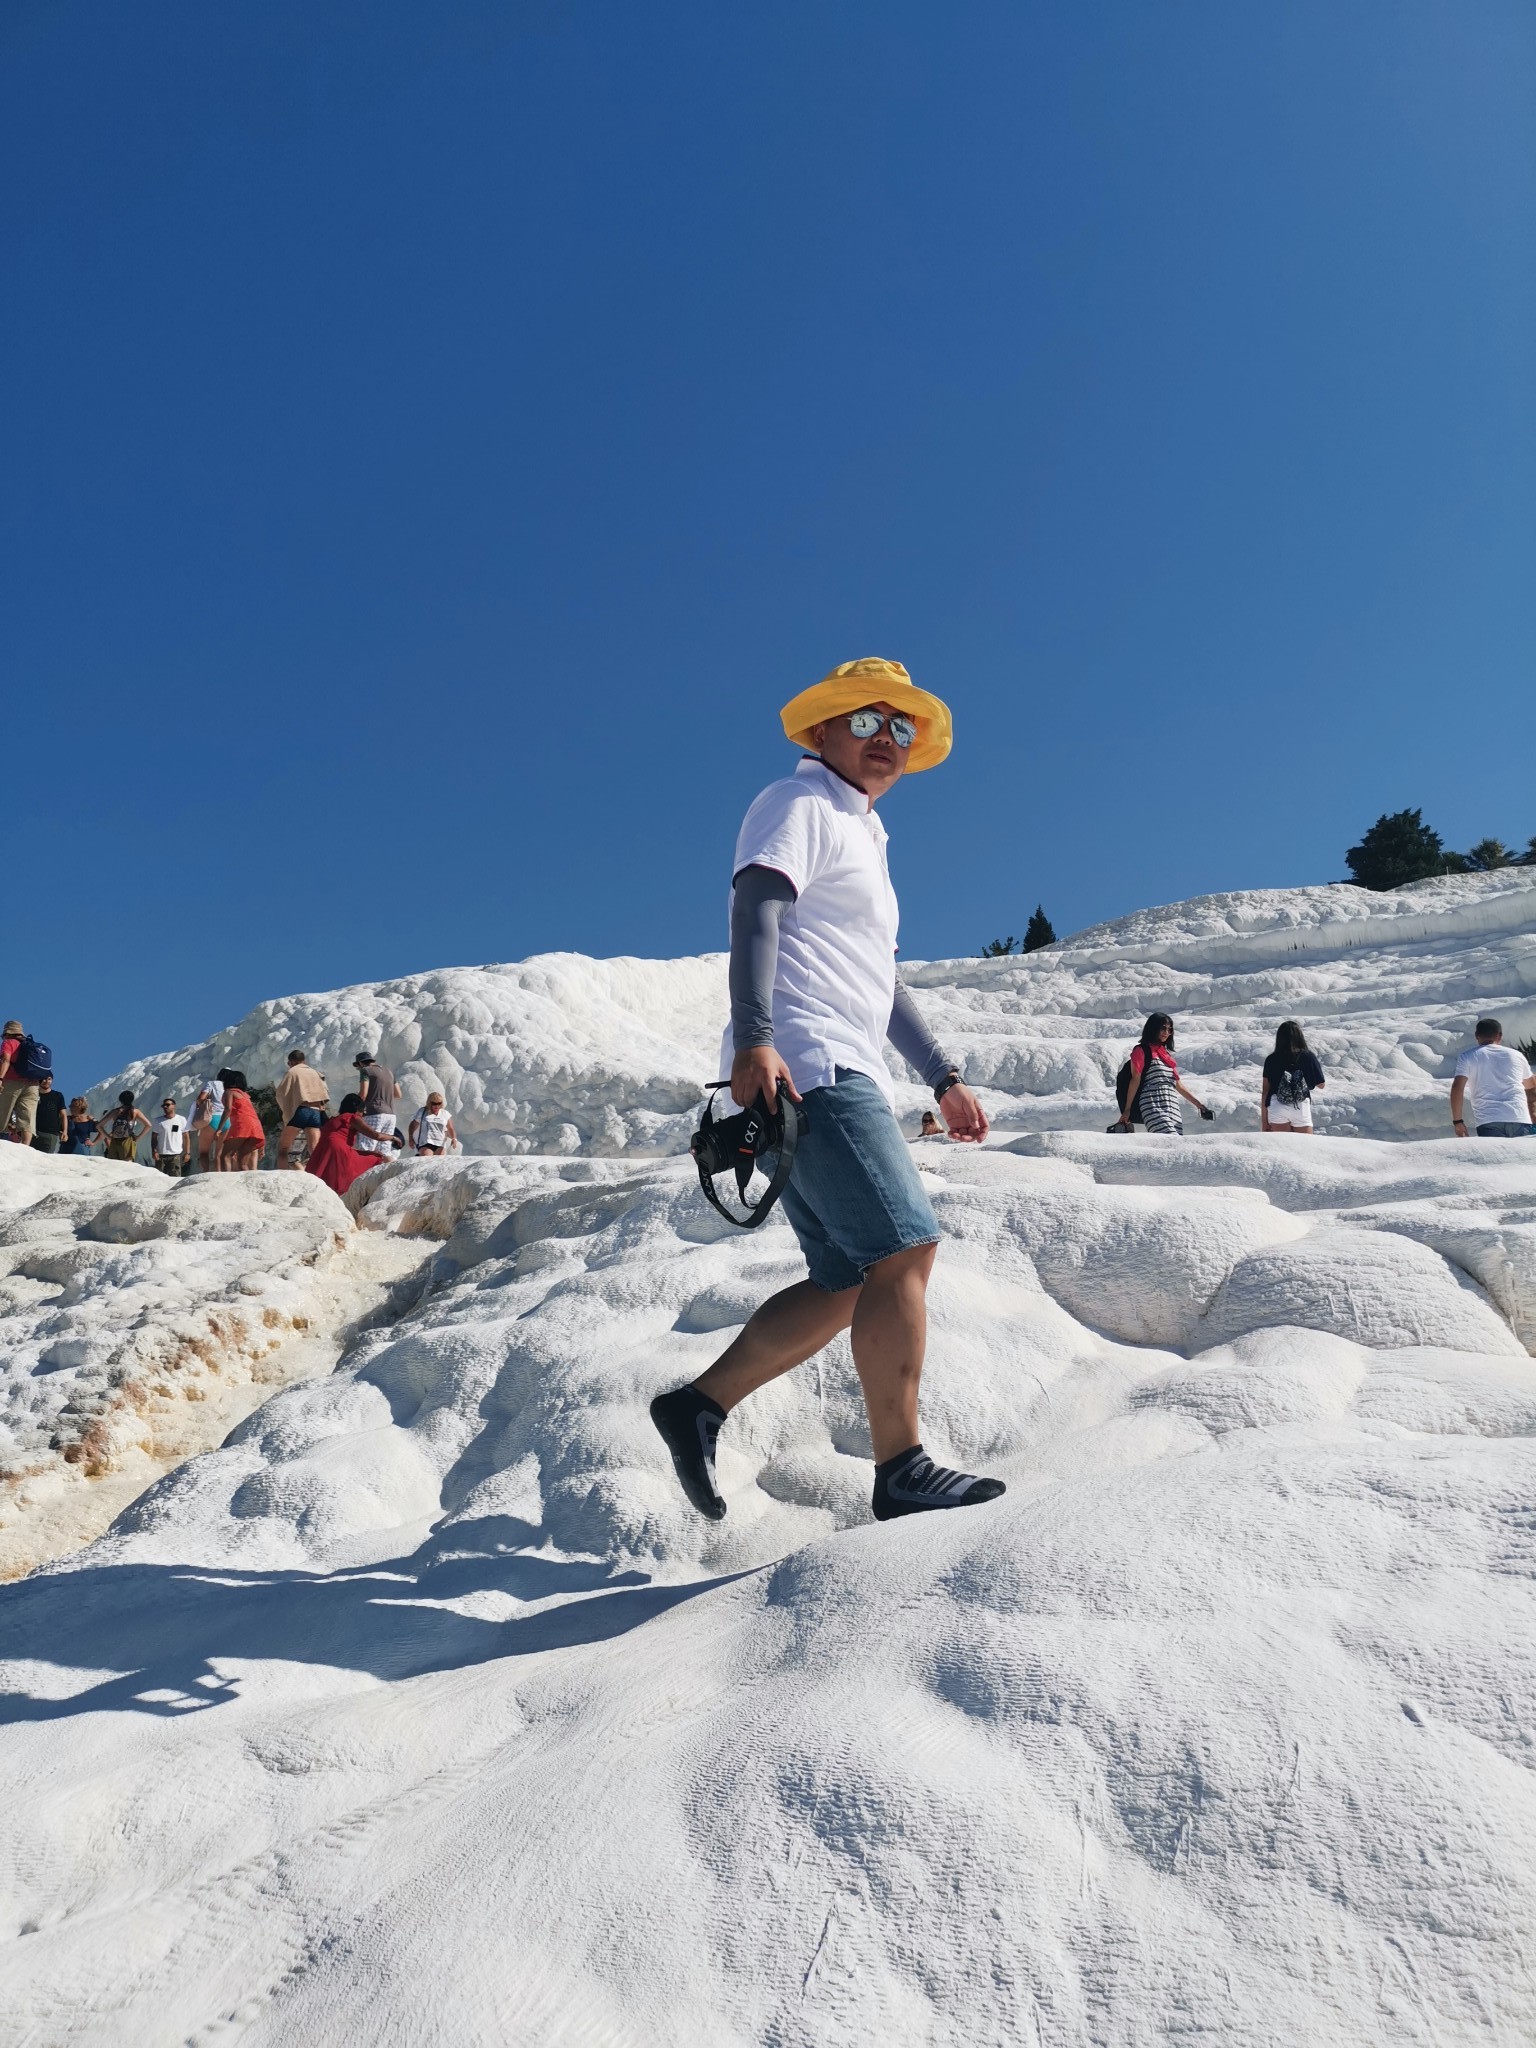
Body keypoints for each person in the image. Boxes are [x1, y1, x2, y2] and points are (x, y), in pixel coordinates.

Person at [650, 656, 1006, 1527]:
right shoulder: (798, 802)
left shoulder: (865, 835)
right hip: (809, 1060)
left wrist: (943, 1078)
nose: (887, 740)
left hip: (835, 1058)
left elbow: (881, 984)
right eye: (867, 721)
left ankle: (699, 1405)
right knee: (905, 1249)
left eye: (901, 728)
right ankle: (902, 1466)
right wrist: (759, 1039)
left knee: (849, 1277)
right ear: (823, 731)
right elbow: (756, 912)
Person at [1114, 1013, 1213, 1135]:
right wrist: (1127, 1110)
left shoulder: (1166, 1055)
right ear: (1153, 1028)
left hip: (1172, 1104)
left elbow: (1178, 1085)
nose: (1166, 1032)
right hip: (1151, 1102)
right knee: (1168, 1138)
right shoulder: (1141, 1050)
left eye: (1169, 1029)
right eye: (1163, 1028)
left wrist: (1199, 1105)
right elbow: (1135, 1080)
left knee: (1176, 1142)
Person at [1450, 1018, 1536, 1137]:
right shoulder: (1516, 1055)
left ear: (1476, 1036)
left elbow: (1457, 1087)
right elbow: (1530, 1085)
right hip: (1518, 1117)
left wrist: (1458, 1121)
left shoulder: (1467, 1057)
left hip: (1488, 1120)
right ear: (1499, 1036)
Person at [306, 1091, 387, 1196]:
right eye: (362, 1111)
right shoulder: (352, 1117)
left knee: (328, 1176)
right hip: (339, 1149)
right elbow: (377, 1136)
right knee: (375, 1157)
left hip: (324, 1149)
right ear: (357, 1109)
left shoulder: (334, 1119)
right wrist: (393, 1138)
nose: (363, 1115)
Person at [1261, 1022, 1326, 1134]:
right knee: (1304, 1146)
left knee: (1280, 1147)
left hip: (1277, 1105)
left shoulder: (1271, 1059)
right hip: (1300, 1105)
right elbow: (1321, 1085)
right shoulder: (1308, 1056)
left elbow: (1265, 1091)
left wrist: (1264, 1122)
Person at [275, 1049, 330, 1169]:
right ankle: (320, 1175)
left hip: (301, 1111)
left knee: (283, 1148)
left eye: (289, 1063)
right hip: (316, 1111)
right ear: (304, 1060)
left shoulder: (293, 1072)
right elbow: (324, 1092)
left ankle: (282, 1176)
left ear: (292, 1061)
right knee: (314, 1148)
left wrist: (288, 1109)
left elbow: (281, 1094)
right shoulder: (316, 1073)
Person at [0, 1019, 45, 1149]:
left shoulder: (9, 1043)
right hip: (33, 1084)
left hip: (12, 1081)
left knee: (3, 1111)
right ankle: (26, 1148)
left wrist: (1, 1078)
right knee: (28, 1116)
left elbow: (5, 1060)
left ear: (8, 1033)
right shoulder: (31, 1045)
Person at [215, 1068, 266, 1171]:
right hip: (255, 1127)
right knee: (242, 1163)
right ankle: (248, 1184)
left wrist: (219, 1128)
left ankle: (226, 1182)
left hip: (242, 1125)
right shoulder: (246, 1096)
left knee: (225, 1156)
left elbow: (228, 1109)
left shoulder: (229, 1092)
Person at [352, 1052, 401, 1157]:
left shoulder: (365, 1071)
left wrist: (354, 1106)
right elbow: (398, 1094)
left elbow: (363, 1094)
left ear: (360, 1063)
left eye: (357, 1066)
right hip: (391, 1115)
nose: (358, 1068)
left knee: (366, 1147)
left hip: (373, 1113)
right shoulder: (389, 1072)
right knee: (384, 1151)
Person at [186, 1078, 224, 1174]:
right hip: (227, 1120)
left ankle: (206, 1174)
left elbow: (201, 1098)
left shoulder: (212, 1083)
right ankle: (221, 1174)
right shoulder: (232, 1086)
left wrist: (201, 1105)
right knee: (220, 1154)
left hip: (213, 1118)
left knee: (204, 1152)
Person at [104, 1090, 151, 1162]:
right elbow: (148, 1125)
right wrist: (137, 1138)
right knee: (127, 1168)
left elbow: (99, 1126)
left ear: (120, 1100)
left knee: (114, 1167)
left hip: (115, 1141)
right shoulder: (135, 1112)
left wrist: (108, 1137)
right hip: (128, 1141)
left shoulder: (115, 1111)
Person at [151, 1097, 188, 1176]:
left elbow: (186, 1137)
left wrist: (187, 1152)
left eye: (167, 1105)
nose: (165, 1107)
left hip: (175, 1155)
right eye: (163, 1105)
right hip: (161, 1156)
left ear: (174, 1106)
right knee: (159, 1179)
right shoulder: (158, 1120)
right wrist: (154, 1151)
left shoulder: (181, 1119)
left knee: (174, 1179)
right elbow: (154, 1137)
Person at [31, 1077, 67, 1154]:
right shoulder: (32, 1094)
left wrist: (65, 1131)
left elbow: (63, 1115)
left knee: (46, 1160)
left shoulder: (58, 1095)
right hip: (32, 1132)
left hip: (50, 1134)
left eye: (49, 1079)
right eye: (44, 1079)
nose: (47, 1081)